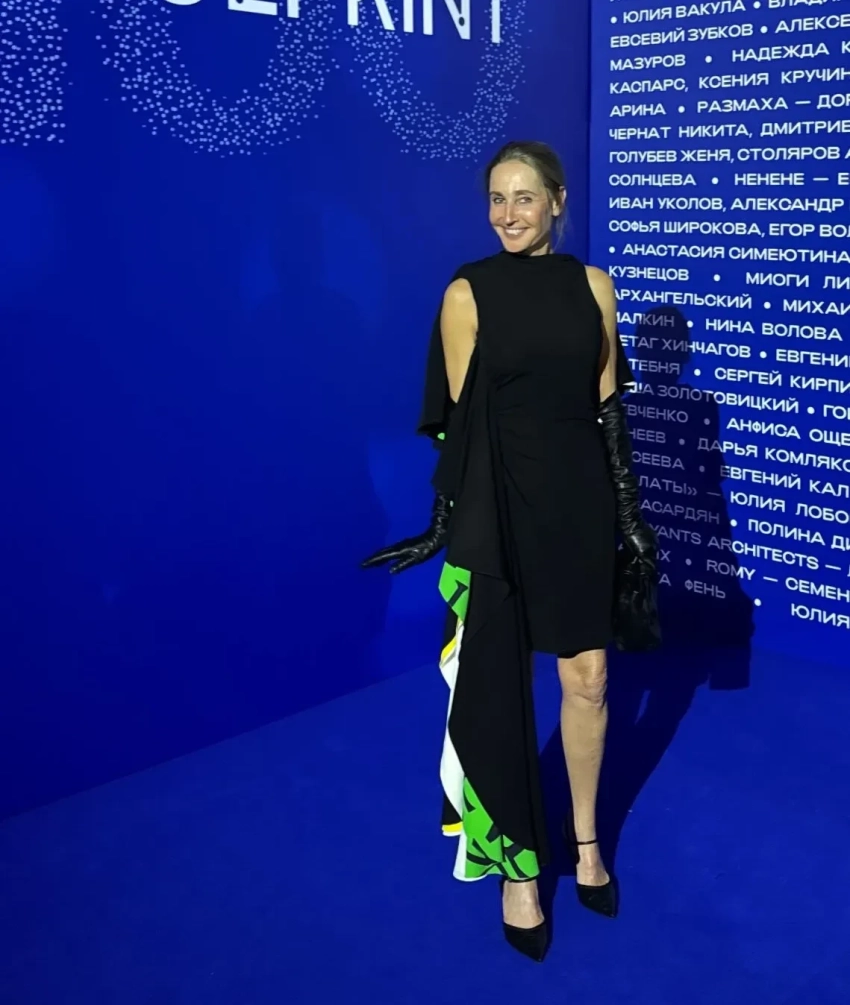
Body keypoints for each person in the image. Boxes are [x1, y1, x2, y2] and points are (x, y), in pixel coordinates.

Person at [362, 140, 656, 962]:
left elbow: (607, 412)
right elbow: (459, 428)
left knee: (588, 679)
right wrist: (442, 522)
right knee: (497, 684)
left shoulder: (594, 287)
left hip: (577, 505)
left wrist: (631, 518)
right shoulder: (467, 293)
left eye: (525, 197)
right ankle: (516, 868)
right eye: (496, 198)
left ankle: (585, 838)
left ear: (558, 201)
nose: (508, 213)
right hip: (498, 508)